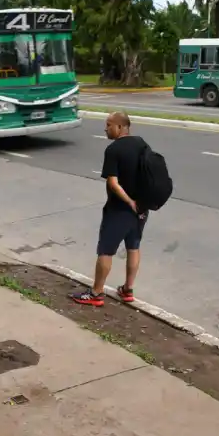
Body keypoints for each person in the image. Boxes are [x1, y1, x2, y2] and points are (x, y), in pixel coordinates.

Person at [71, 111, 147, 307]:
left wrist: (129, 202)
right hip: (142, 209)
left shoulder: (114, 150)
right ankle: (128, 290)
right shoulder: (142, 144)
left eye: (109, 125)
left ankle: (96, 293)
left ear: (121, 127)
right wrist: (138, 204)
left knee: (106, 250)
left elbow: (113, 183)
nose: (105, 129)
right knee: (134, 247)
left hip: (119, 209)